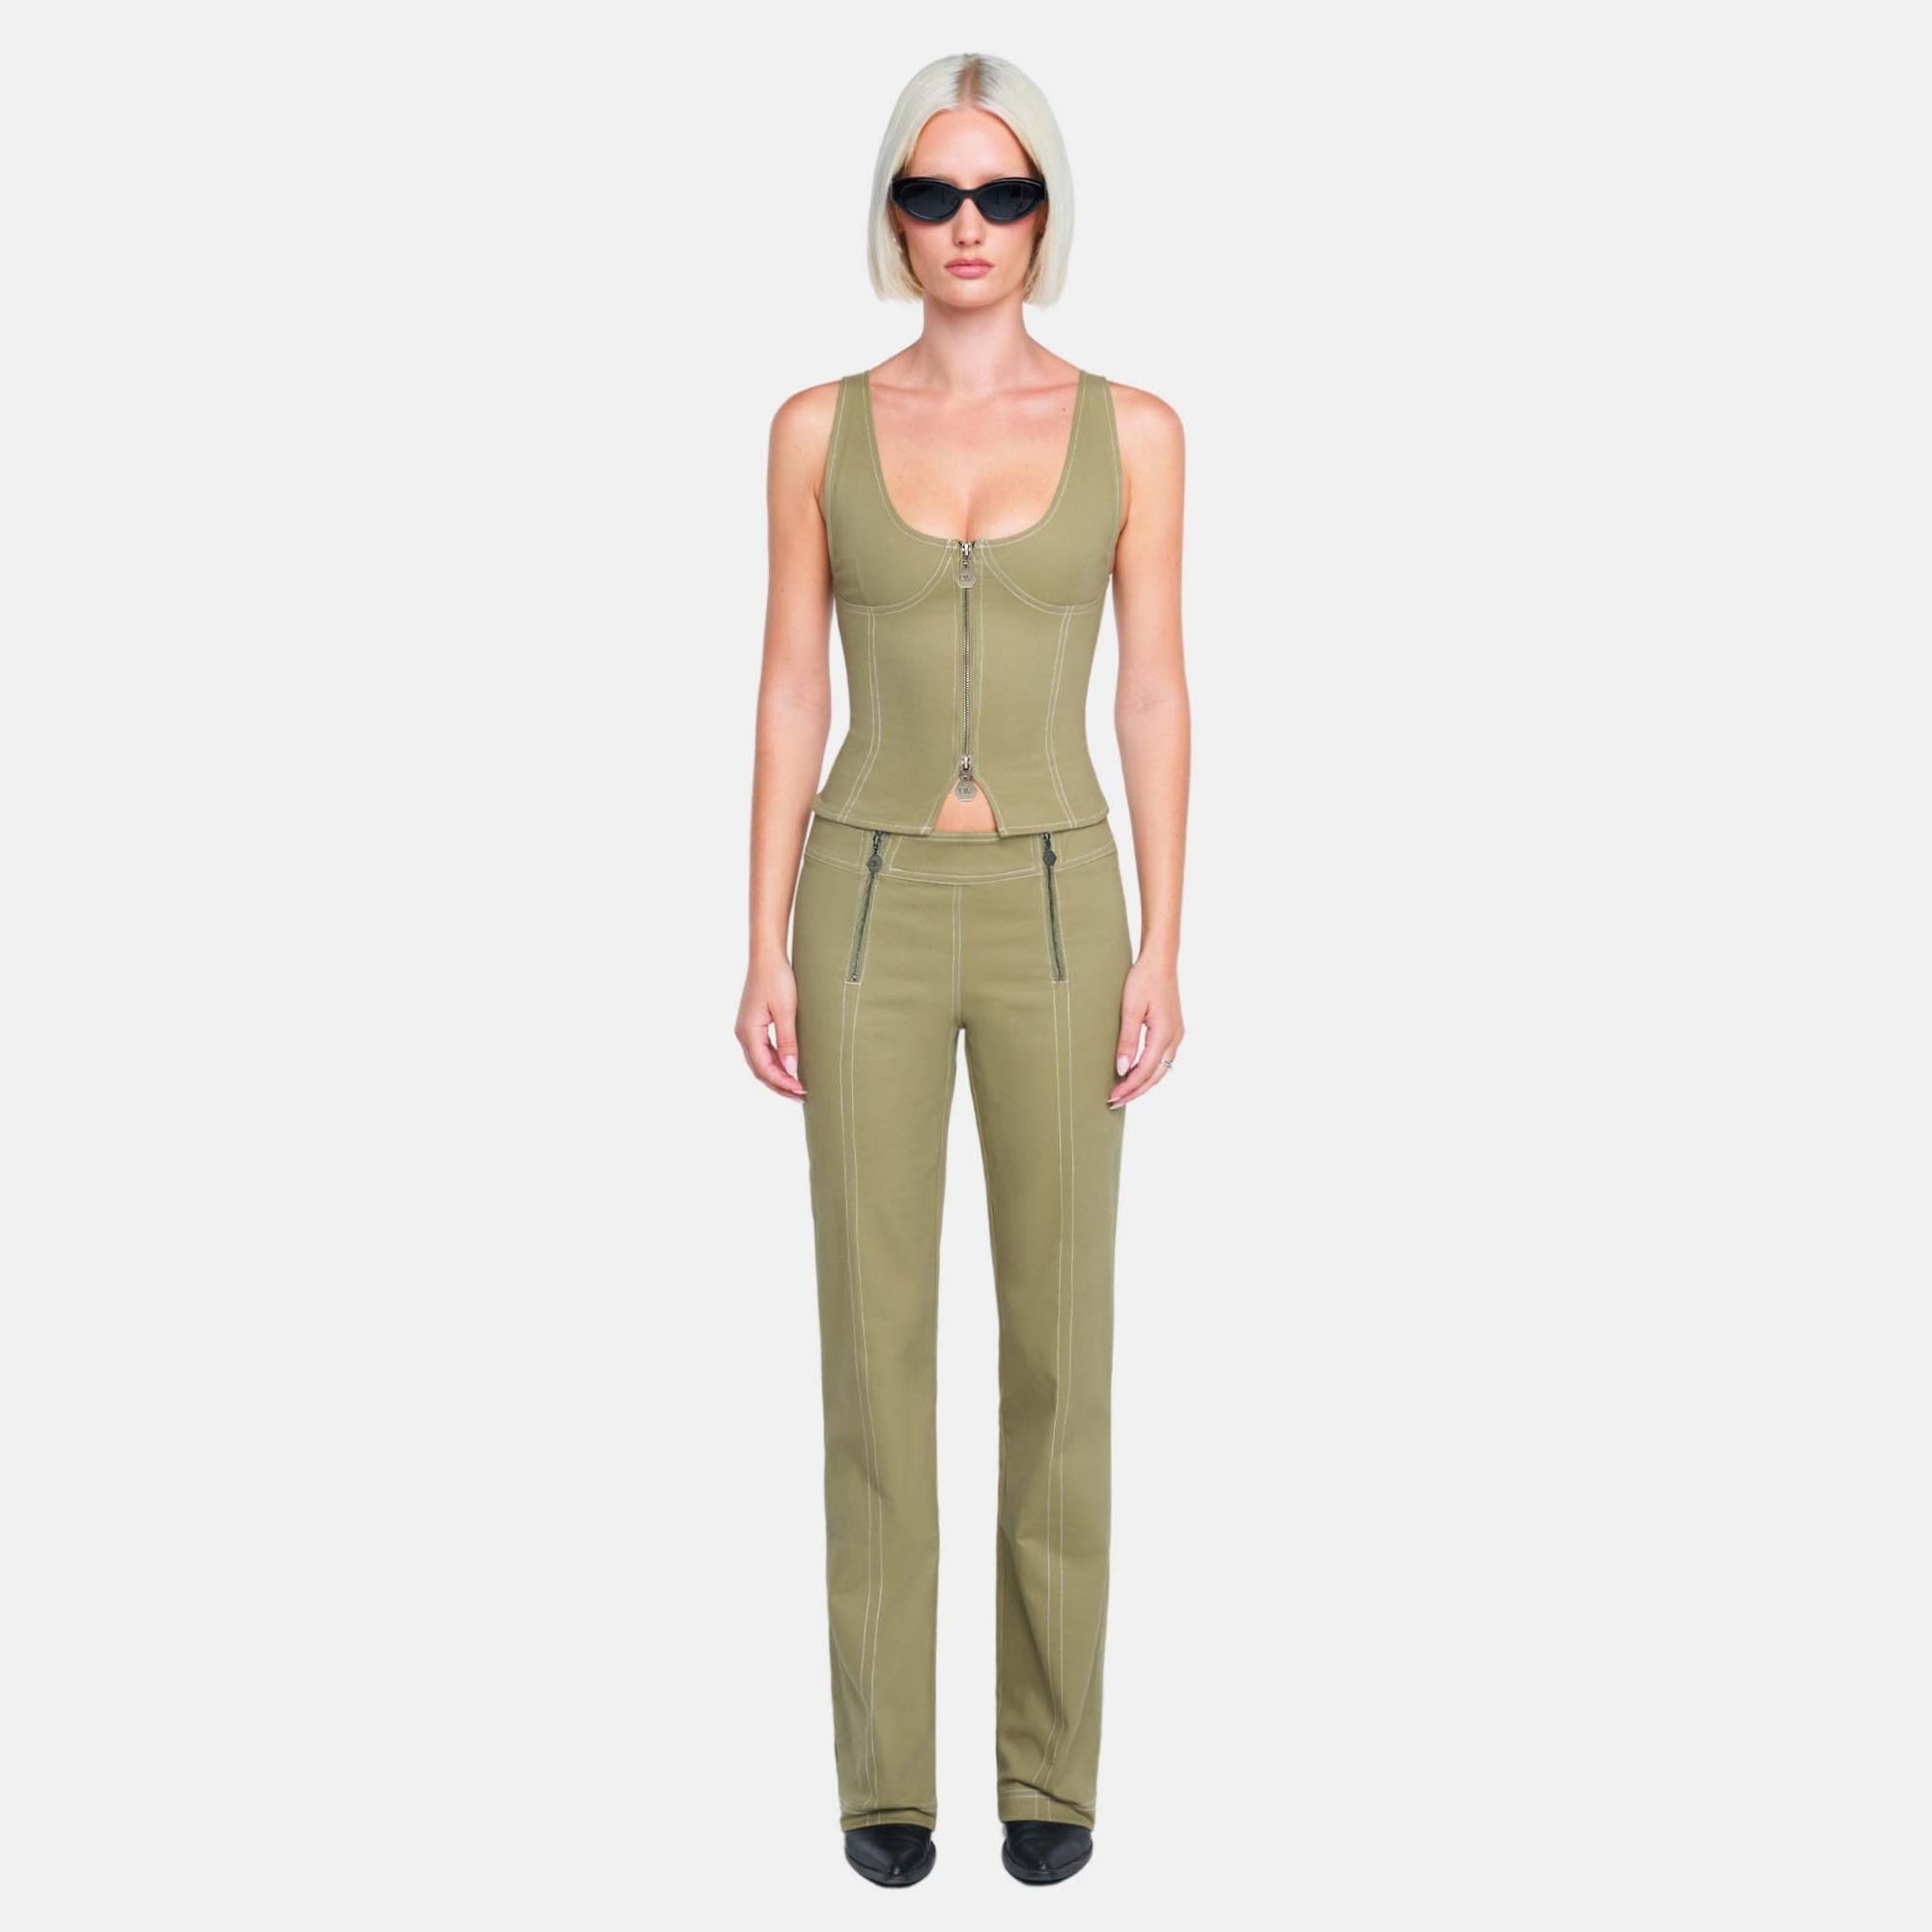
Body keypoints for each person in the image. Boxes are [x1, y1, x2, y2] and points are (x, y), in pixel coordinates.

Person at [734, 50, 1189, 1889]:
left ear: (1046, 213)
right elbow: (790, 685)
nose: (968, 226)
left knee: (1062, 1348)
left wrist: (1169, 940)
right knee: (875, 1347)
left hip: (1067, 906)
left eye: (1001, 193)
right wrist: (758, 938)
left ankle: (1050, 1774)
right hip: (860, 905)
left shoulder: (1135, 431)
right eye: (934, 195)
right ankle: (885, 1779)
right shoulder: (814, 429)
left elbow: (1154, 691)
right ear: (894, 217)